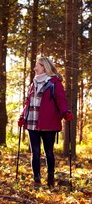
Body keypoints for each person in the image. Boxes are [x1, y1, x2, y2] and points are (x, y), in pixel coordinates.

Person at [18, 56, 73, 188]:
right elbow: (28, 103)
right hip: (32, 122)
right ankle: (36, 180)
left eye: (37, 65)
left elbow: (61, 100)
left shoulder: (54, 83)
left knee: (49, 152)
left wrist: (66, 112)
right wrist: (22, 116)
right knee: (35, 152)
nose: (34, 67)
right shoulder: (33, 84)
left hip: (49, 123)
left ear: (44, 67)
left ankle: (50, 178)